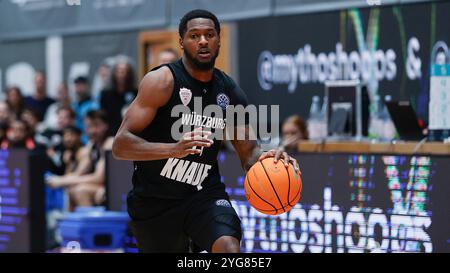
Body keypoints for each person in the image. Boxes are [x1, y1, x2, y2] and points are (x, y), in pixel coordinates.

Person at [112, 9, 300, 253]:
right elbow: (120, 145)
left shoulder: (229, 92)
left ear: (218, 40)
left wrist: (267, 158)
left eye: (209, 35)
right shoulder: (161, 82)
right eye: (194, 35)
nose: (202, 41)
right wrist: (174, 149)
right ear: (181, 42)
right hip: (155, 201)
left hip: (204, 196)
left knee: (229, 247)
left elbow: (248, 154)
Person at [47, 110, 113, 211]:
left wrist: (61, 181)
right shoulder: (91, 145)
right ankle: (68, 224)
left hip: (115, 188)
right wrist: (60, 179)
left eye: (96, 126)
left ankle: (92, 226)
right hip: (101, 187)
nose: (92, 130)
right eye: (89, 126)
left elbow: (98, 178)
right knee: (71, 189)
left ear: (106, 125)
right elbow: (79, 173)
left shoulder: (109, 143)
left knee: (81, 190)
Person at [99, 57, 137, 137]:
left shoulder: (135, 93)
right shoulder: (105, 94)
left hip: (131, 133)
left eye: (125, 71)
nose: (122, 74)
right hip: (111, 134)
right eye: (119, 71)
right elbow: (103, 118)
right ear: (114, 73)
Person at [72, 76, 98, 143]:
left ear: (87, 86)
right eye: (77, 85)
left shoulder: (94, 105)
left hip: (89, 140)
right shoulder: (73, 105)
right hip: (75, 140)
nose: (79, 88)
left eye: (81, 85)